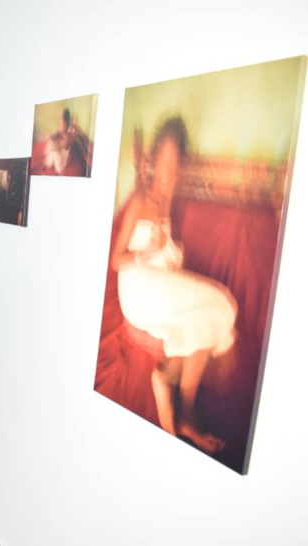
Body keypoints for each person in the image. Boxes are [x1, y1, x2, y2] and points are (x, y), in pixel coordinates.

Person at [110, 116, 237, 455]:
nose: (168, 171)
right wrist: (147, 252)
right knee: (219, 303)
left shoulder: (168, 203)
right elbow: (116, 259)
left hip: (159, 287)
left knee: (208, 315)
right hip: (137, 289)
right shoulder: (140, 199)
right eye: (162, 161)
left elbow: (168, 262)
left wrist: (167, 253)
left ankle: (177, 397)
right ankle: (175, 393)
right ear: (152, 161)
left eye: (175, 163)